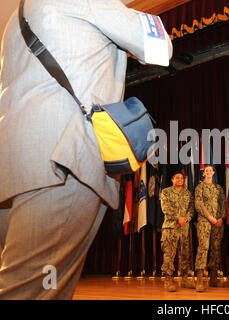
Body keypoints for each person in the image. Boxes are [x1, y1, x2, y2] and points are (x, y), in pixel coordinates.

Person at [0, 0, 172, 299]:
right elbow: (160, 47)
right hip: (63, 160)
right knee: (37, 291)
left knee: (17, 281)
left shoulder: (13, 21)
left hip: (15, 164)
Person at [160, 172, 196, 292]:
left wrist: (186, 219)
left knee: (185, 254)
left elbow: (191, 209)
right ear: (172, 180)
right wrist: (178, 218)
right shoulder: (166, 192)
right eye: (177, 178)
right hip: (170, 227)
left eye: (181, 178)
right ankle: (168, 280)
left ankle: (184, 279)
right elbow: (165, 208)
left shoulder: (188, 193)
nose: (180, 180)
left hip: (184, 228)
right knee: (169, 254)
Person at [194, 165, 226, 292]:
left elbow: (223, 203)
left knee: (215, 248)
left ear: (213, 173)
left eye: (210, 170)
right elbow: (198, 204)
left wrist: (221, 218)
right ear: (203, 173)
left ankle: (213, 278)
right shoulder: (200, 187)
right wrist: (209, 217)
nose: (208, 172)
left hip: (218, 223)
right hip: (204, 222)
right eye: (206, 171)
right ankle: (200, 279)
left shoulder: (219, 188)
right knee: (203, 248)